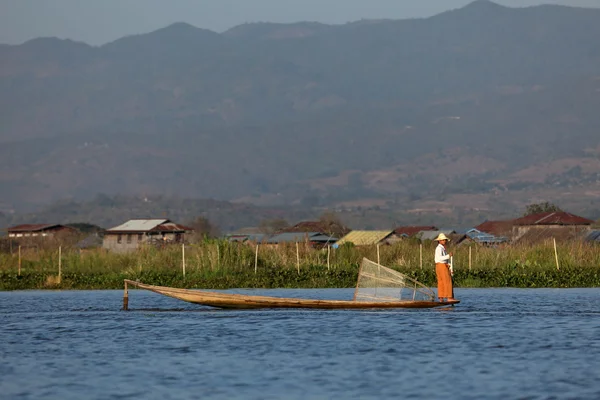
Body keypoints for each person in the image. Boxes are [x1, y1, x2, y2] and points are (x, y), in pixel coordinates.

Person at [434, 233, 455, 302]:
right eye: (443, 240)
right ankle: (449, 297)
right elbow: (440, 258)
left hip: (441, 266)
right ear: (439, 241)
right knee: (447, 281)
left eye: (445, 240)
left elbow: (445, 260)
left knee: (441, 282)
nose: (444, 241)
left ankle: (441, 298)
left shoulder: (442, 248)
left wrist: (450, 267)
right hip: (441, 266)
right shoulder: (439, 248)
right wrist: (448, 255)